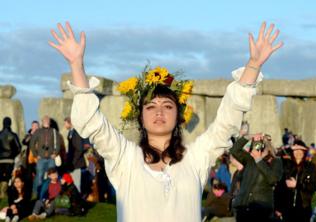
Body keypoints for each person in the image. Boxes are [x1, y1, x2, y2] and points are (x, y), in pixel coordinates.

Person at [48, 21, 282, 222]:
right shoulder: (125, 158)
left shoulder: (195, 158)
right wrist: (76, 65)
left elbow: (226, 123)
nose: (159, 111)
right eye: (151, 106)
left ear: (179, 116)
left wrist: (253, 65)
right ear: (141, 117)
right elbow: (93, 123)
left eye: (167, 106)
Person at [229, 134, 283, 222]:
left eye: (262, 142)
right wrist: (249, 136)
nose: (259, 145)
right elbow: (234, 150)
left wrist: (259, 159)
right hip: (243, 205)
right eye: (256, 142)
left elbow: (273, 179)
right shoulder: (249, 159)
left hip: (261, 208)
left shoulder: (275, 161)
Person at [276, 140, 316, 222]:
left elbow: (313, 186)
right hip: (287, 208)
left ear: (304, 151)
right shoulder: (287, 166)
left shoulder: (311, 167)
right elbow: (279, 188)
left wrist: (297, 185)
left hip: (304, 208)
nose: (297, 152)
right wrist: (278, 207)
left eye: (300, 150)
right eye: (295, 150)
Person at [30, 115, 60, 194]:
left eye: (48, 120)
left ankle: (51, 192)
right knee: (39, 176)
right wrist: (36, 155)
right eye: (45, 120)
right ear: (42, 122)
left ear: (49, 122)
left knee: (52, 176)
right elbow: (32, 143)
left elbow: (58, 144)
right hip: (41, 158)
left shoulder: (54, 131)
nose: (46, 121)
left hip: (51, 158)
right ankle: (39, 194)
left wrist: (55, 153)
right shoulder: (38, 131)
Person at [64, 117, 87, 193]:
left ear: (69, 123)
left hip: (76, 162)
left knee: (77, 183)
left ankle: (78, 201)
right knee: (72, 182)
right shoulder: (71, 132)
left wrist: (73, 161)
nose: (64, 125)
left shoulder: (76, 133)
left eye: (65, 123)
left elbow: (80, 149)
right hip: (72, 162)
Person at [0, 117, 21, 199]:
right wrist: (13, 154)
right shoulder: (13, 135)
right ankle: (5, 192)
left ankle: (2, 192)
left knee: (1, 177)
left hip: (0, 160)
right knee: (9, 177)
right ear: (10, 123)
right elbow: (19, 148)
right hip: (10, 160)